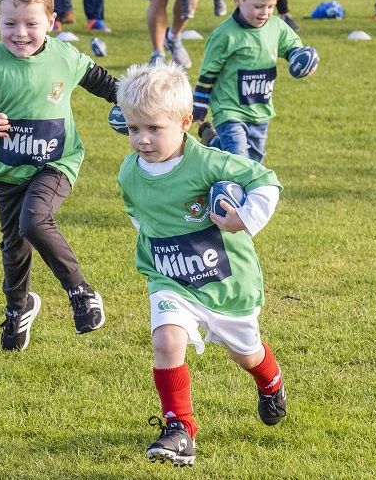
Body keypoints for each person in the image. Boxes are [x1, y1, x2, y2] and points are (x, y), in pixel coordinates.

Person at [115, 62, 286, 467]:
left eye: (154, 129)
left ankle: (270, 382)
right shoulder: (128, 172)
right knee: (167, 340)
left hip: (225, 281)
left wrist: (242, 219)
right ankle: (180, 429)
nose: (141, 139)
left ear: (185, 122)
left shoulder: (208, 163)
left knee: (246, 355)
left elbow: (265, 180)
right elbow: (136, 212)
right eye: (133, 128)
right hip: (169, 276)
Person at [0, 0, 115, 351]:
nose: (20, 33)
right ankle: (17, 308)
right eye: (10, 23)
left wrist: (140, 103)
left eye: (31, 23)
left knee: (34, 219)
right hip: (9, 170)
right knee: (14, 247)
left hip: (57, 163)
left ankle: (81, 292)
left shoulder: (65, 57)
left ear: (51, 22)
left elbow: (105, 83)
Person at [192, 0, 311, 162]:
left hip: (260, 109)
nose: (265, 12)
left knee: (254, 160)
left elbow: (291, 47)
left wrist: (301, 59)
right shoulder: (224, 35)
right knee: (238, 159)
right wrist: (199, 106)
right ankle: (228, 192)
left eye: (271, 6)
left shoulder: (276, 26)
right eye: (258, 6)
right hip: (229, 110)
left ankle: (211, 142)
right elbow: (208, 73)